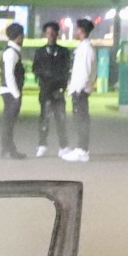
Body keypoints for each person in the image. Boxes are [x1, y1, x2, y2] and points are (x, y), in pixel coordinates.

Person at [31, 20, 72, 158]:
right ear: (45, 34)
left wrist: (63, 86)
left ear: (57, 34)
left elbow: (67, 70)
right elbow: (35, 69)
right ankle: (42, 145)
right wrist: (44, 76)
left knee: (61, 118)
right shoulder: (40, 52)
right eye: (48, 33)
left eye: (53, 32)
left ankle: (63, 146)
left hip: (58, 90)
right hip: (45, 90)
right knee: (44, 119)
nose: (51, 35)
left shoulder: (64, 52)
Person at [63, 17, 97, 162]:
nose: (75, 32)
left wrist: (78, 89)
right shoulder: (83, 48)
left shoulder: (86, 49)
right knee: (80, 119)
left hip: (80, 91)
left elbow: (85, 72)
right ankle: (81, 149)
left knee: (81, 120)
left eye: (77, 29)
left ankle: (82, 150)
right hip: (79, 90)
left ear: (82, 31)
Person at [0, 23, 27, 159]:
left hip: (8, 91)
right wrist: (16, 94)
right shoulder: (12, 53)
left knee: (8, 122)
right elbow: (9, 75)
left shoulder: (10, 51)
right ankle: (9, 150)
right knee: (9, 123)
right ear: (19, 37)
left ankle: (7, 149)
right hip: (10, 92)